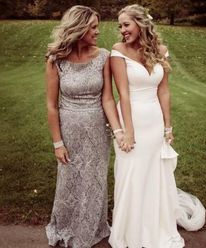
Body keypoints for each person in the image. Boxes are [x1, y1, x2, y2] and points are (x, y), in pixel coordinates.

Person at [108, 4, 206, 248]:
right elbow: (123, 94)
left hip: (154, 121)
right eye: (120, 25)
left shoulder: (161, 50)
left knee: (154, 174)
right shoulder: (118, 51)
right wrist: (127, 131)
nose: (122, 30)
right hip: (131, 118)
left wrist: (168, 126)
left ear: (141, 24)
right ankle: (129, 231)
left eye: (126, 24)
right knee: (131, 172)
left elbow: (164, 91)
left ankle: (155, 228)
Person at [45, 5, 123, 248]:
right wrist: (58, 143)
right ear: (78, 28)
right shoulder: (55, 60)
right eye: (93, 27)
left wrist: (118, 130)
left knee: (95, 179)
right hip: (69, 130)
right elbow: (51, 105)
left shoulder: (103, 56)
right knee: (69, 178)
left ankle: (91, 227)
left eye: (97, 26)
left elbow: (108, 98)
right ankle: (66, 225)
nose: (98, 32)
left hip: (98, 130)